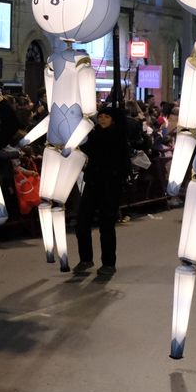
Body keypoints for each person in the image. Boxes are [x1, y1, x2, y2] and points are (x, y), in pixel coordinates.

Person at [75, 105, 128, 275]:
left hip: (110, 186)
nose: (102, 119)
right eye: (101, 117)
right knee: (82, 222)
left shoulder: (119, 135)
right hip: (92, 183)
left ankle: (108, 263)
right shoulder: (93, 134)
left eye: (106, 117)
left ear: (113, 119)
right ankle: (85, 259)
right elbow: (86, 149)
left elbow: (123, 162)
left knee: (106, 225)